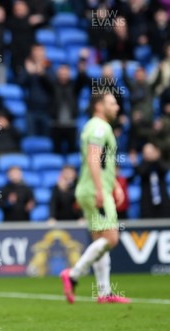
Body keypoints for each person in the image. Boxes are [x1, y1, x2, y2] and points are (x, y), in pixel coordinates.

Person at [60, 93, 130, 304]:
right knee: (111, 239)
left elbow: (102, 162)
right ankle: (73, 274)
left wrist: (114, 184)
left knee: (101, 241)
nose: (117, 107)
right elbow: (93, 157)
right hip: (94, 189)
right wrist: (101, 190)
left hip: (91, 187)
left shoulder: (93, 126)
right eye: (112, 103)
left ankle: (104, 292)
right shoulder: (100, 127)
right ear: (99, 106)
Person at [135, 143, 170, 219]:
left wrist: (157, 159)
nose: (149, 155)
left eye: (151, 152)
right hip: (147, 204)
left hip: (163, 202)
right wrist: (149, 161)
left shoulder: (159, 163)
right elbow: (141, 172)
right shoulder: (142, 165)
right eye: (147, 153)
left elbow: (165, 169)